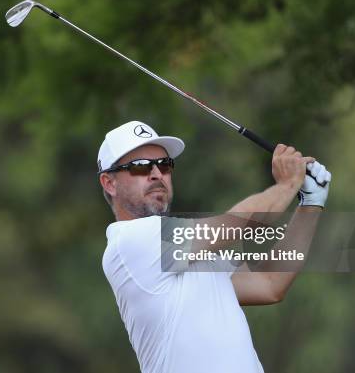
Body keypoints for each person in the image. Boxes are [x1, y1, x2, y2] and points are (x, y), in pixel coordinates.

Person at [97, 121, 331, 373]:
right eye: (140, 167)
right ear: (109, 183)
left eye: (164, 165)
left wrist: (310, 204)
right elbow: (239, 222)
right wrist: (287, 185)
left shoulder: (190, 252)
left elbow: (270, 283)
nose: (157, 174)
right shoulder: (129, 242)